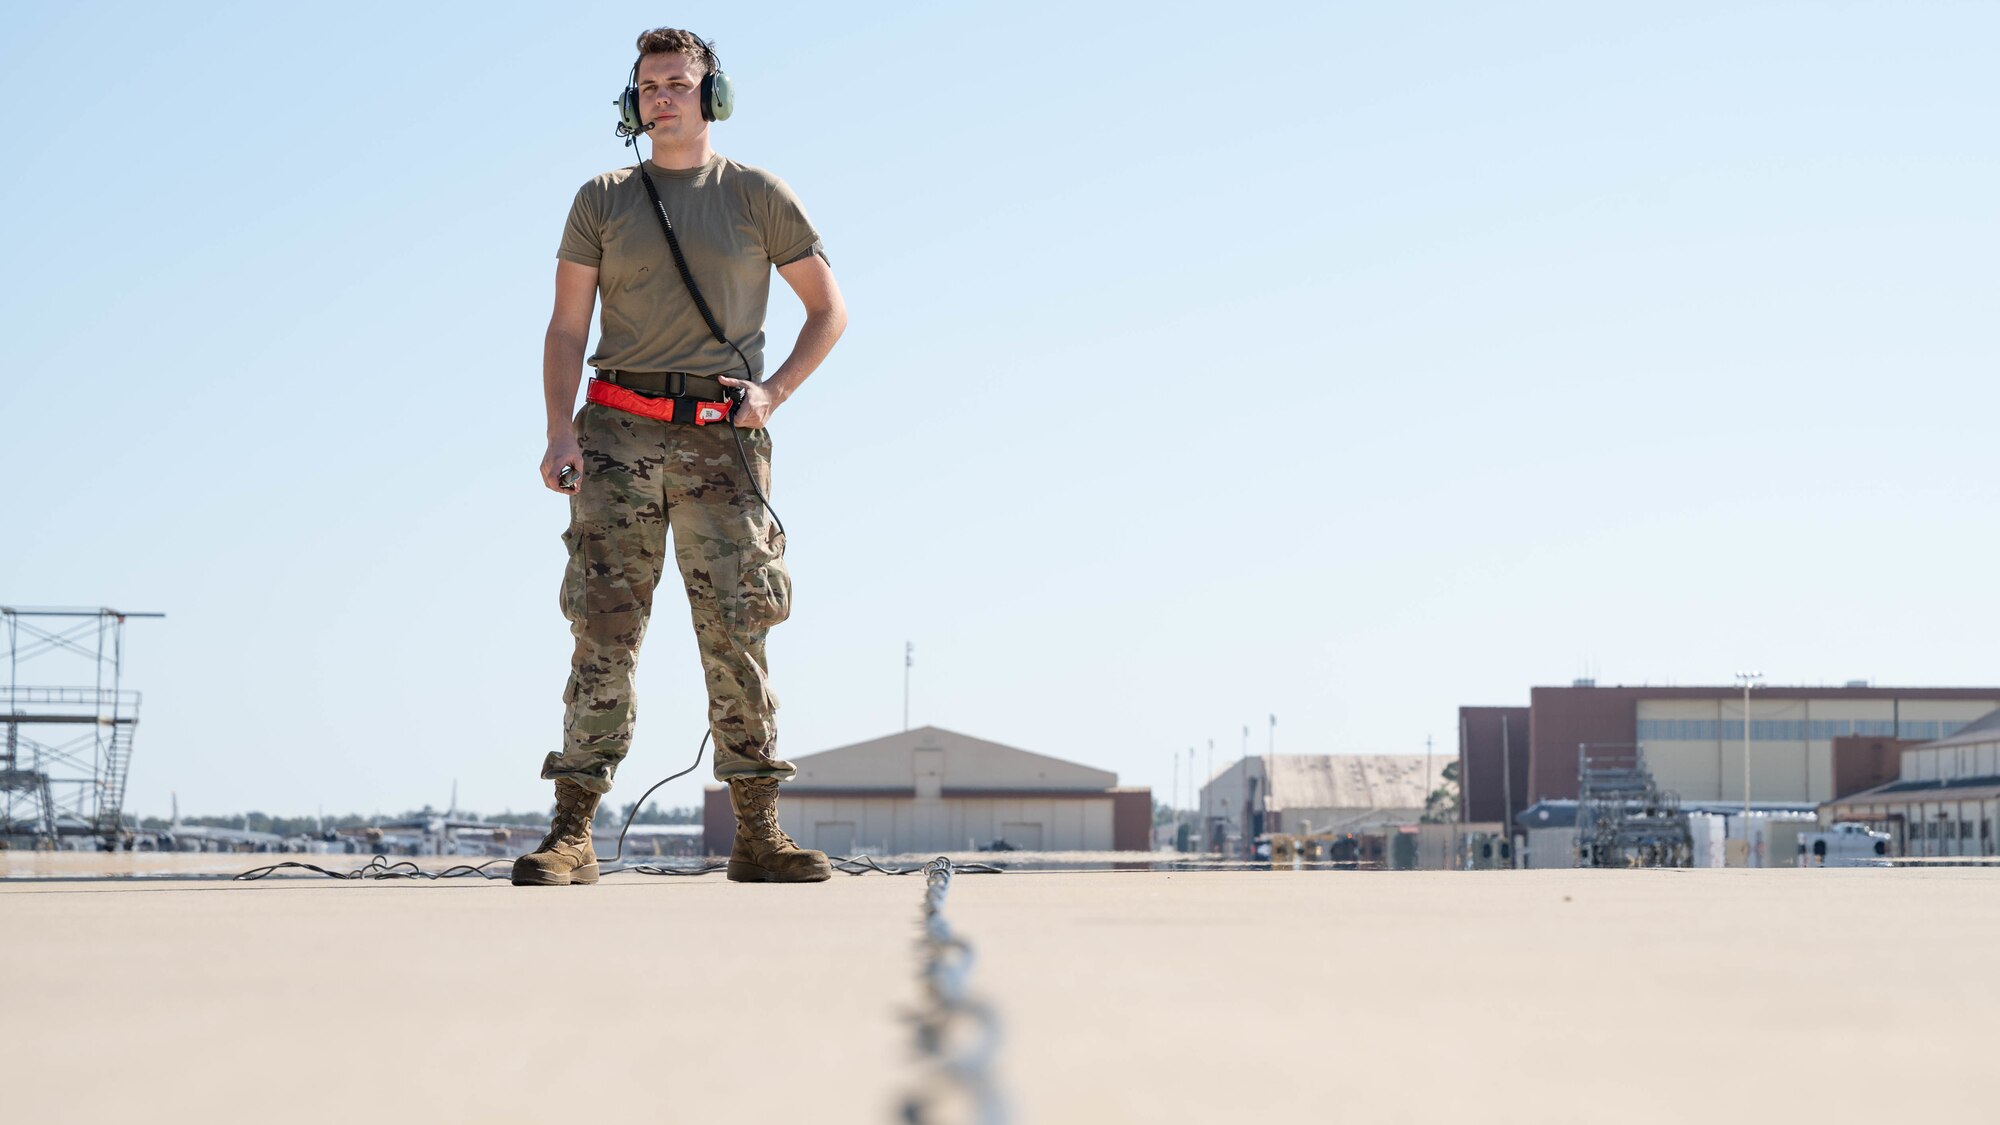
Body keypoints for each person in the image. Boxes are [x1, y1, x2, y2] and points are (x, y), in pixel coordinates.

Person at [513, 27, 847, 887]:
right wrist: (559, 430)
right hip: (616, 433)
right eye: (649, 85)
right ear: (634, 101)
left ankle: (759, 833)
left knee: (737, 633)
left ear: (712, 95)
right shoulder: (601, 198)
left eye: (679, 82)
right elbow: (565, 326)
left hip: (721, 440)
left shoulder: (757, 195)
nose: (664, 96)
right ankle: (573, 832)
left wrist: (773, 392)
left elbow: (829, 310)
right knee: (602, 633)